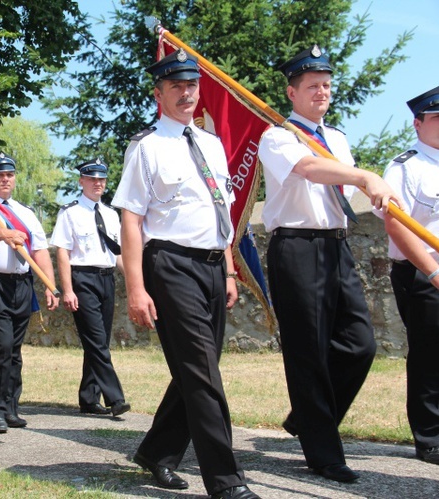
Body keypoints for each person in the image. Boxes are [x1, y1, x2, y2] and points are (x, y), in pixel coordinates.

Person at [112, 50, 257, 499]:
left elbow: (218, 211)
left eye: (191, 85)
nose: (186, 92)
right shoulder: (146, 146)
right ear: (159, 94)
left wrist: (229, 269)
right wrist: (136, 288)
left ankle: (157, 451)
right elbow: (131, 220)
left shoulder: (211, 142)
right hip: (170, 265)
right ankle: (226, 481)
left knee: (197, 370)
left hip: (213, 266)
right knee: (202, 373)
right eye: (176, 86)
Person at [258, 45, 403, 482]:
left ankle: (307, 421)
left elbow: (342, 185)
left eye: (326, 85)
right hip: (296, 247)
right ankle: (323, 452)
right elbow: (310, 170)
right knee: (308, 353)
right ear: (292, 92)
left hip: (336, 246)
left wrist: (380, 195)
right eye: (312, 85)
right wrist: (362, 176)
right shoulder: (278, 136)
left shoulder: (336, 137)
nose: (322, 92)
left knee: (360, 344)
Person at [0, 152, 59, 434]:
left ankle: (10, 407)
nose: (5, 179)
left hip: (21, 284)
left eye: (9, 175)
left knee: (14, 350)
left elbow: (39, 249)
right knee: (0, 345)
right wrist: (4, 234)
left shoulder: (25, 212)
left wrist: (50, 286)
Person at [378, 85, 439, 466]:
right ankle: (431, 437)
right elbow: (395, 225)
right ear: (418, 124)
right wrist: (433, 272)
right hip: (423, 272)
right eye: (437, 118)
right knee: (431, 356)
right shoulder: (405, 166)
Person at [50, 158, 130, 417]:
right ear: (81, 181)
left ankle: (89, 397)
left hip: (106, 279)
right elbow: (63, 252)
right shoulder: (69, 212)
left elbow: (117, 253)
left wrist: (133, 280)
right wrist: (67, 289)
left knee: (99, 340)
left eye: (102, 179)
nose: (98, 183)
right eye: (92, 179)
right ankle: (115, 398)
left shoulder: (110, 214)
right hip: (82, 279)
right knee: (96, 341)